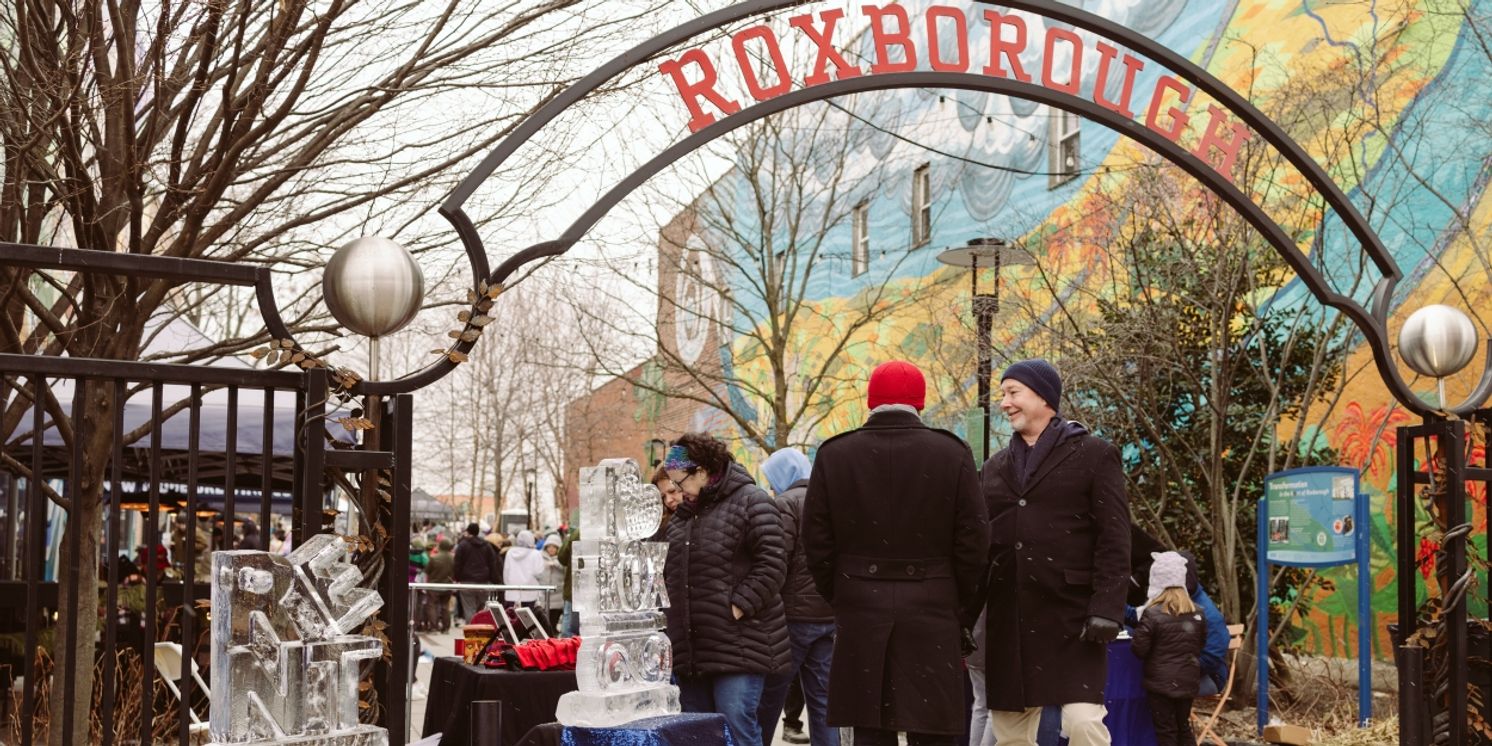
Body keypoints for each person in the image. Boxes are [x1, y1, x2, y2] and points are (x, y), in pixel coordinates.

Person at [804, 360, 990, 746]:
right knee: (935, 730)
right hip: (932, 608)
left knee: (870, 731)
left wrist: (844, 593)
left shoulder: (835, 454)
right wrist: (957, 602)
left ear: (871, 401)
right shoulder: (951, 452)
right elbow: (973, 543)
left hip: (860, 608)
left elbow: (817, 543)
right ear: (919, 403)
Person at [981, 359, 1131, 746]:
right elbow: (980, 547)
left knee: (1083, 723)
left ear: (1044, 397)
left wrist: (1107, 608)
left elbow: (1114, 539)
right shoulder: (994, 467)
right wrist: (963, 615)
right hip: (1009, 620)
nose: (1005, 403)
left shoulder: (1096, 455)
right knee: (1010, 734)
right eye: (1002, 394)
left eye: (1013, 392)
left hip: (1074, 619)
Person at [662, 432, 790, 746]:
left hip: (740, 644)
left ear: (702, 472)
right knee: (698, 733)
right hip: (691, 650)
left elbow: (773, 561)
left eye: (681, 482)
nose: (678, 491)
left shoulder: (751, 500)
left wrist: (738, 606)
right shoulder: (682, 517)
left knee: (737, 725)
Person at [757, 447, 836, 746]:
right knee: (823, 701)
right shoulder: (831, 501)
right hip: (828, 616)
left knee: (770, 697)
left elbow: (777, 562)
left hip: (791, 619)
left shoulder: (785, 504)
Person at [1132, 552, 1207, 746]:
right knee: (1183, 726)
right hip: (1188, 680)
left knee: (1166, 730)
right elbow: (1200, 644)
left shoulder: (1152, 614)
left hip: (1160, 683)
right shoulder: (1197, 612)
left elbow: (1139, 649)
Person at [453, 522, 500, 623]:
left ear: (468, 531)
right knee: (482, 610)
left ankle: (471, 631)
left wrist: (457, 579)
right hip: (484, 582)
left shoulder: (462, 545)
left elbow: (457, 564)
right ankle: (480, 631)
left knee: (469, 609)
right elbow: (492, 564)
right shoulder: (487, 545)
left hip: (467, 582)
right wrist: (495, 580)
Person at [503, 530, 547, 610]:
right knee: (529, 620)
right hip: (530, 593)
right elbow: (540, 573)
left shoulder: (510, 553)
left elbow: (506, 572)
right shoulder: (535, 554)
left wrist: (508, 585)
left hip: (512, 593)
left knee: (511, 619)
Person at [425, 538, 455, 632]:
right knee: (445, 606)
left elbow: (427, 571)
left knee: (432, 605)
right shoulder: (453, 558)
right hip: (448, 585)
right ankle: (446, 627)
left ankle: (434, 627)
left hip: (434, 585)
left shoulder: (434, 558)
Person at [540, 534, 566, 632]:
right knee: (544, 619)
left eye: (554, 547)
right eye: (549, 546)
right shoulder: (540, 557)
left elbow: (564, 568)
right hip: (544, 594)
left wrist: (555, 564)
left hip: (558, 594)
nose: (551, 549)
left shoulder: (561, 559)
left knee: (554, 619)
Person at [557, 526, 579, 636]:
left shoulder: (576, 533)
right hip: (597, 589)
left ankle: (566, 651)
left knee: (569, 626)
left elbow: (562, 558)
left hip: (574, 586)